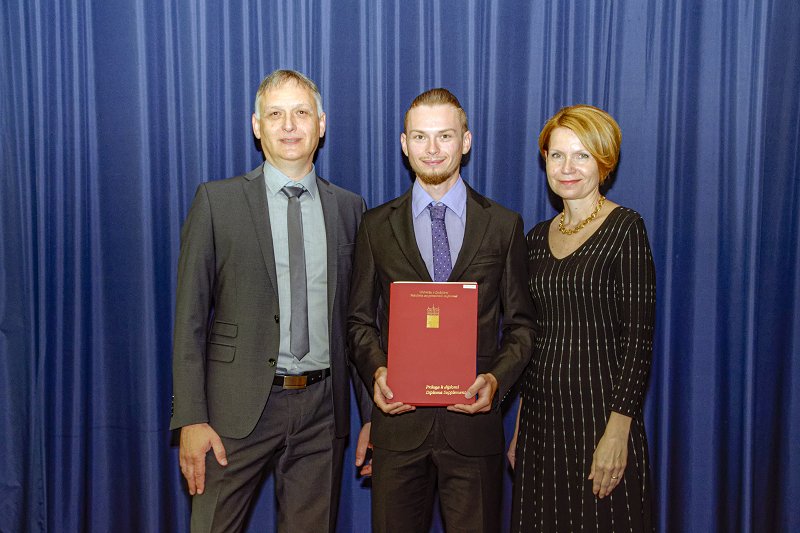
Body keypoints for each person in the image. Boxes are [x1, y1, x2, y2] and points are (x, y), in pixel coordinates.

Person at [170, 69, 372, 533]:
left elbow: (359, 321)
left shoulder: (350, 208)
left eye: (301, 113)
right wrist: (192, 418)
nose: (289, 125)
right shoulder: (217, 202)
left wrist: (371, 416)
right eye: (276, 114)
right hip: (232, 413)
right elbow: (189, 320)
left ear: (321, 124)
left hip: (323, 412)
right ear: (256, 125)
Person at [347, 88, 536, 533]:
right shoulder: (375, 226)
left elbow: (522, 326)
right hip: (398, 428)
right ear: (404, 143)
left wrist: (496, 380)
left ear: (465, 141)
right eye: (420, 136)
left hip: (473, 427)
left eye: (445, 136)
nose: (432, 149)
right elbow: (358, 321)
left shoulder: (503, 225)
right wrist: (378, 372)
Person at [508, 104, 656, 532]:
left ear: (604, 162)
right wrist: (519, 429)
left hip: (600, 419)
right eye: (557, 155)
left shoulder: (625, 228)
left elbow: (638, 341)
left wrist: (618, 432)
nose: (567, 168)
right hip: (540, 425)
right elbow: (531, 339)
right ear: (545, 161)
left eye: (581, 155)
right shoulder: (535, 238)